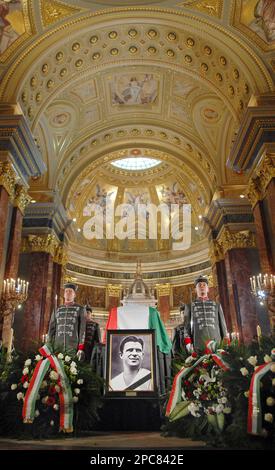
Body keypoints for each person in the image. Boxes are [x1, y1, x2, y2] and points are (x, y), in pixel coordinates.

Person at [174, 275, 228, 355]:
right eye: (199, 285)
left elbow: (223, 326)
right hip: (198, 344)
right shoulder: (189, 306)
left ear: (208, 289)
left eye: (204, 285)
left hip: (217, 342)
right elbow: (186, 328)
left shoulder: (216, 305)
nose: (202, 287)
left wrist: (226, 342)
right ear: (195, 290)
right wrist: (189, 344)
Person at [47, 283, 86, 360]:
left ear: (74, 295)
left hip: (72, 346)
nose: (68, 293)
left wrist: (80, 347)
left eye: (70, 291)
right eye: (66, 291)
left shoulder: (80, 309)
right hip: (57, 346)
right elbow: (51, 329)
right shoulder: (57, 309)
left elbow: (82, 329)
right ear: (64, 294)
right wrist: (49, 344)